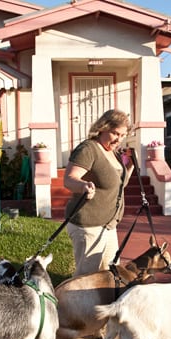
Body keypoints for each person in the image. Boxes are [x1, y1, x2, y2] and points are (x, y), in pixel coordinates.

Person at [63, 109, 134, 276]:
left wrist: (129, 166)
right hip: (88, 224)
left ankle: (100, 302)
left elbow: (118, 185)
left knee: (110, 274)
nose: (119, 139)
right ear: (102, 127)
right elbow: (69, 179)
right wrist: (83, 186)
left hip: (109, 225)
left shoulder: (113, 153)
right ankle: (73, 302)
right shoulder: (89, 149)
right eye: (115, 133)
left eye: (123, 135)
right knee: (87, 277)